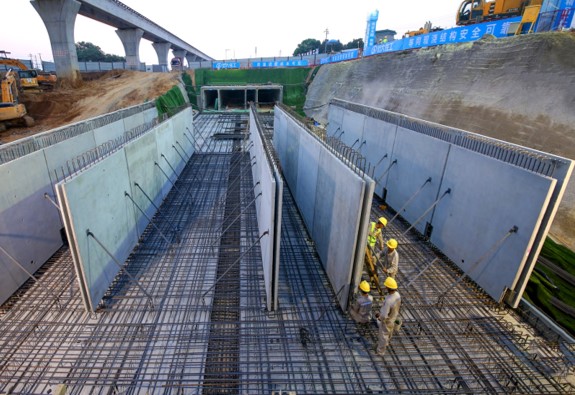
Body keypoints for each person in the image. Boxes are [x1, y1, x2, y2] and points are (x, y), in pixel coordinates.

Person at [375, 277, 401, 356]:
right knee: (389, 332)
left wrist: (379, 316)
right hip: (394, 318)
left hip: (387, 321)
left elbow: (384, 315)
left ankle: (380, 351)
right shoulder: (397, 295)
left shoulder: (389, 300)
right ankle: (386, 344)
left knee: (383, 336)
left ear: (388, 287)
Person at [365, 217, 387, 289]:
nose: (382, 227)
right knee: (367, 261)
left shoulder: (379, 230)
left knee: (370, 261)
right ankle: (372, 276)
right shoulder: (371, 224)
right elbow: (366, 232)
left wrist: (382, 247)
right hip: (365, 245)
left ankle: (373, 277)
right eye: (383, 225)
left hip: (371, 248)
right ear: (380, 223)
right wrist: (373, 234)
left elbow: (380, 239)